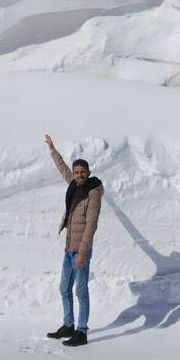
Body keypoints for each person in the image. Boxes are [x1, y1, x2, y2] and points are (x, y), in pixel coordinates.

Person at [44, 134, 104, 346]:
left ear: (88, 173)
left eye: (82, 172)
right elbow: (63, 169)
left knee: (81, 291)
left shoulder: (93, 193)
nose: (78, 175)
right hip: (69, 248)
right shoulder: (74, 186)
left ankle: (82, 331)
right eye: (76, 172)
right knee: (64, 288)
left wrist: (83, 253)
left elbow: (91, 225)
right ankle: (68, 325)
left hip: (80, 251)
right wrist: (53, 150)